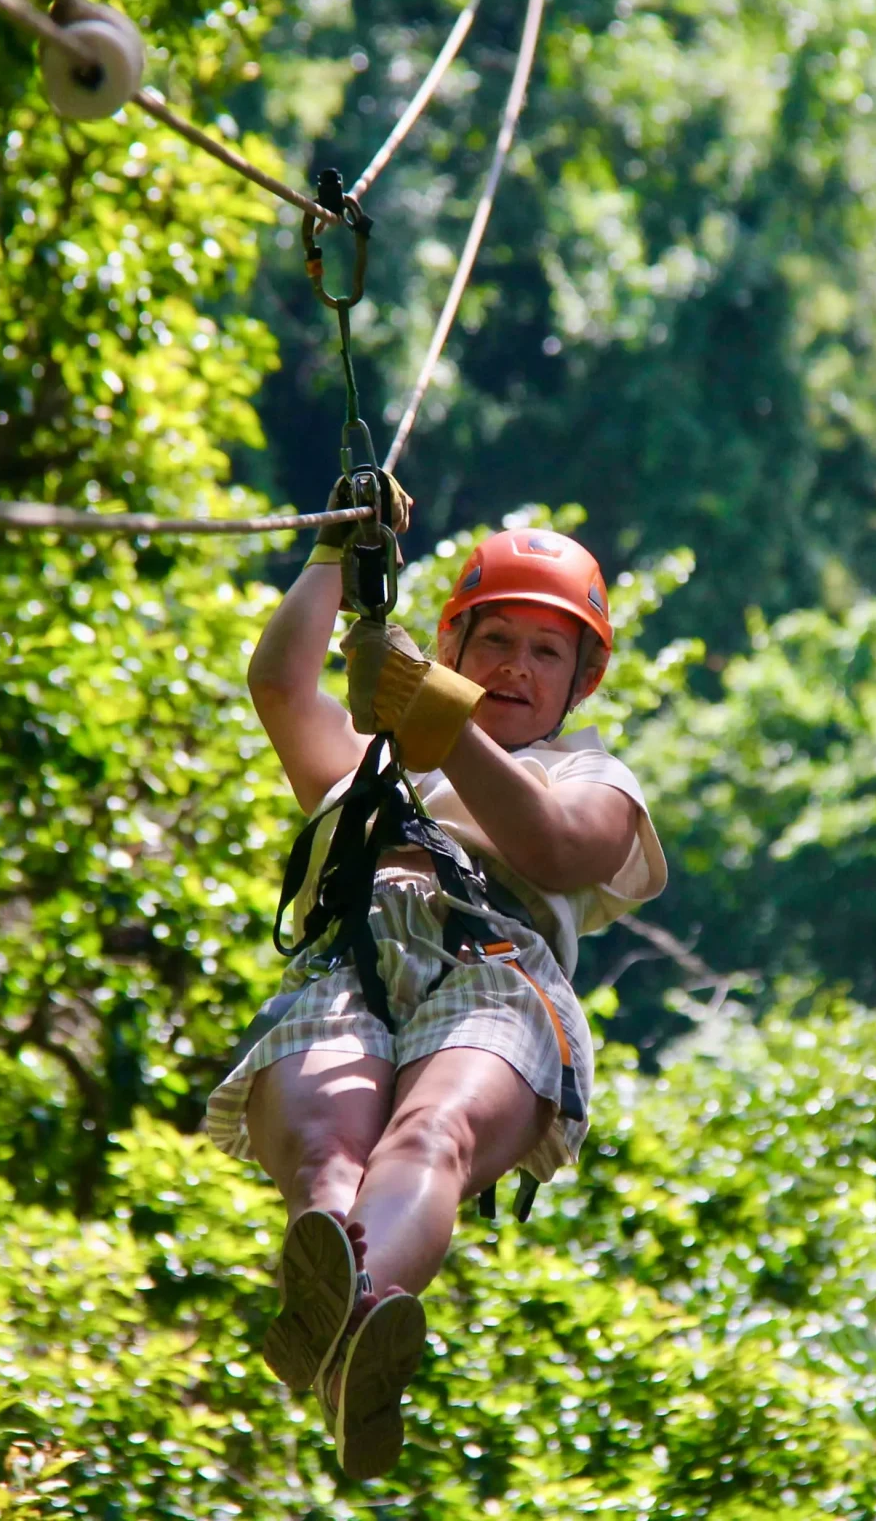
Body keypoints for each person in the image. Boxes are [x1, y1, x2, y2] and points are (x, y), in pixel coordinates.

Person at [205, 477, 668, 1480]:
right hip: (354, 960)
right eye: (493, 640)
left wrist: (436, 712)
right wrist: (334, 552)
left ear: (580, 681)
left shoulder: (591, 778)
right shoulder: (374, 760)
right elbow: (282, 685)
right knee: (328, 1158)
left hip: (494, 969)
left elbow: (551, 847)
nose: (514, 667)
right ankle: (344, 1326)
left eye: (545, 651)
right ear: (452, 643)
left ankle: (363, 1313)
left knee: (432, 1131)